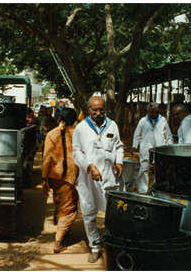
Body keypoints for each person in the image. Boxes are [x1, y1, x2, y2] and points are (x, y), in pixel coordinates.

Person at [73, 96, 123, 263]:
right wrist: (89, 166)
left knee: (114, 212)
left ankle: (113, 242)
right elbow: (77, 152)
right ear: (88, 110)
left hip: (110, 176)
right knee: (89, 213)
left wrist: (119, 161)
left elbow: (118, 146)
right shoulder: (80, 128)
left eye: (101, 109)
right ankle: (95, 246)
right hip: (89, 178)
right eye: (95, 110)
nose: (99, 113)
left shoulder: (112, 125)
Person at [42, 107, 79, 253]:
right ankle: (58, 242)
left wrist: (44, 179)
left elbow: (46, 159)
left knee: (60, 203)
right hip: (71, 176)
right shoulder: (77, 134)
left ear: (59, 119)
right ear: (74, 120)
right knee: (68, 208)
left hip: (55, 176)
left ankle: (63, 230)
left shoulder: (52, 134)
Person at [132, 103, 172, 194]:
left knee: (158, 170)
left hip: (159, 149)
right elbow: (137, 134)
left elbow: (168, 136)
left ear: (157, 111)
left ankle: (156, 189)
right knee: (144, 169)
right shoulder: (143, 121)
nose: (151, 114)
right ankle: (142, 191)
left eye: (153, 112)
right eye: (149, 112)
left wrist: (170, 148)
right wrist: (134, 145)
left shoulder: (163, 120)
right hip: (145, 149)